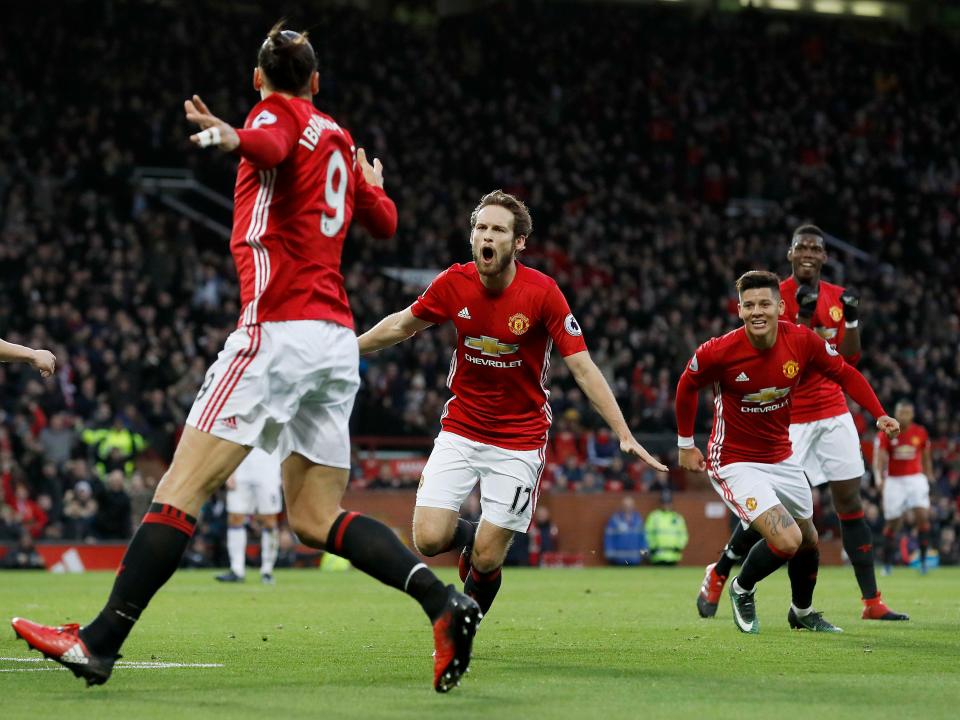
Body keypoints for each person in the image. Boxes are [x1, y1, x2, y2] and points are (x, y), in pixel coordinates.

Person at [12, 24, 479, 694]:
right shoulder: (340, 137)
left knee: (182, 487)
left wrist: (234, 135)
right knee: (315, 519)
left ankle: (98, 641)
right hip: (334, 345)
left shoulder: (273, 112)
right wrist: (373, 183)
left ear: (258, 79)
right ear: (318, 81)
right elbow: (386, 223)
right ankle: (443, 603)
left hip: (276, 332)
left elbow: (269, 140)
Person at [358, 189, 666, 622]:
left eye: (498, 229)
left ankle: (463, 626)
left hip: (519, 438)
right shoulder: (453, 282)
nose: (487, 235)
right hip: (462, 426)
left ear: (518, 242)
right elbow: (402, 325)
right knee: (428, 539)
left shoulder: (543, 293)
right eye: (481, 228)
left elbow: (582, 366)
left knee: (487, 559)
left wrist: (623, 432)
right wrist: (347, 349)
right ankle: (473, 540)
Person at [697, 226, 908, 622]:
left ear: (825, 256)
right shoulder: (773, 299)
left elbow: (849, 359)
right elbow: (781, 347)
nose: (809, 253)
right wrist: (806, 315)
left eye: (816, 248)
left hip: (833, 411)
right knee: (773, 517)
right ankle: (722, 573)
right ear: (790, 254)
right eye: (802, 247)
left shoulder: (836, 296)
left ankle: (872, 602)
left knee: (849, 502)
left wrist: (854, 319)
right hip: (788, 418)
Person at [874, 400, 934, 575]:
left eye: (907, 413)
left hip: (915, 478)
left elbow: (925, 456)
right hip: (894, 480)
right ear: (896, 413)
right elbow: (880, 457)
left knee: (922, 516)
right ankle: (886, 564)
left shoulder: (920, 432)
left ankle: (923, 562)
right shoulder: (887, 432)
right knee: (894, 523)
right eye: (901, 412)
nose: (904, 416)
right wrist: (879, 478)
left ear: (912, 414)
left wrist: (929, 475)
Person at [216, 447, 283, 584]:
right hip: (241, 468)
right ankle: (237, 570)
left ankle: (267, 570)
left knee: (269, 520)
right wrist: (229, 471)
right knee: (235, 518)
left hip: (268, 469)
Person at [645, 490, 688, 565]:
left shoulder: (677, 518)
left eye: (668, 502)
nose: (666, 505)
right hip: (657, 555)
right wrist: (652, 547)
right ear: (661, 503)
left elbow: (683, 535)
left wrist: (678, 546)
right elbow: (647, 534)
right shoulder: (654, 516)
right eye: (664, 502)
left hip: (673, 555)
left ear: (671, 503)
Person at [604, 496, 647, 566]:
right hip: (618, 560)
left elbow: (643, 539)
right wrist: (609, 553)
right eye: (626, 505)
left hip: (635, 560)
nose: (628, 507)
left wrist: (644, 554)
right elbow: (609, 538)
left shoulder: (638, 521)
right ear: (622, 506)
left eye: (630, 505)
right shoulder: (614, 520)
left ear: (633, 506)